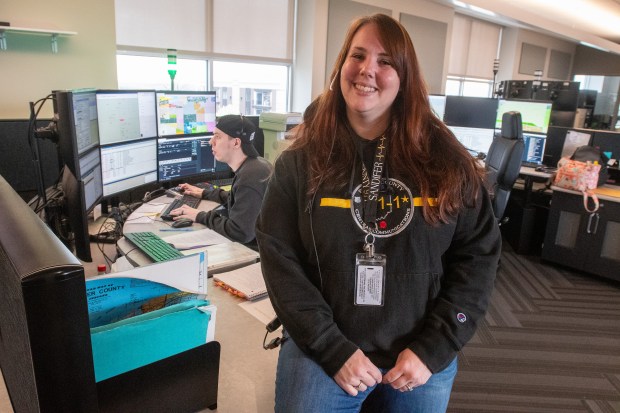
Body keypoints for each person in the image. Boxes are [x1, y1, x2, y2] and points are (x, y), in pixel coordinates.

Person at [255, 13, 501, 413]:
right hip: (325, 347)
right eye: (358, 55)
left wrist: (434, 348)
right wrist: (331, 348)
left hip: (419, 355)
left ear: (405, 77)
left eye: (386, 61)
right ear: (341, 68)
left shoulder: (446, 161)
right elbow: (278, 256)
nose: (368, 69)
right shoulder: (302, 160)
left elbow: (478, 257)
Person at [171, 114, 273, 248]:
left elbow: (240, 233)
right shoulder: (256, 165)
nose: (210, 141)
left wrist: (200, 216)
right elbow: (240, 200)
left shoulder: (251, 176)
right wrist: (205, 193)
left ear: (236, 142)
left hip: (259, 255)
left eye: (217, 136)